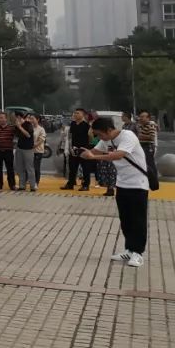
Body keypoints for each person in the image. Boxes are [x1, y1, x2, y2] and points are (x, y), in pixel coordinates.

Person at [80, 116, 150, 267]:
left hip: (138, 183)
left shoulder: (128, 136)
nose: (99, 137)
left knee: (138, 219)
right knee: (125, 219)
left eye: (100, 134)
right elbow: (95, 150)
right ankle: (129, 250)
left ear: (109, 130)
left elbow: (118, 155)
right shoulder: (106, 140)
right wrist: (84, 153)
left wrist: (94, 157)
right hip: (122, 184)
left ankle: (138, 253)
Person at [62, 108, 94, 191]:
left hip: (84, 149)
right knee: (72, 168)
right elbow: (70, 137)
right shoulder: (72, 124)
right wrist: (69, 148)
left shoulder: (87, 125)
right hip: (74, 149)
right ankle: (70, 183)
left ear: (83, 115)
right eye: (74, 113)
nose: (75, 115)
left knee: (85, 168)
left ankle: (86, 185)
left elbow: (91, 137)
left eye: (77, 113)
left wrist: (87, 148)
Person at [12, 111, 37, 192]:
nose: (13, 119)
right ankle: (22, 185)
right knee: (19, 168)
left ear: (19, 117)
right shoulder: (16, 126)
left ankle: (33, 186)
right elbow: (16, 136)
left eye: (14, 117)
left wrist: (20, 127)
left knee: (29, 168)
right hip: (19, 148)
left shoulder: (28, 124)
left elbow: (28, 135)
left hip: (28, 149)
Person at [137, 110, 160, 189]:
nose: (141, 118)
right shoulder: (142, 125)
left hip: (148, 146)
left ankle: (154, 183)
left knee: (150, 164)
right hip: (142, 146)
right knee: (144, 163)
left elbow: (152, 137)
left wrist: (140, 136)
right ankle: (147, 181)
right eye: (140, 116)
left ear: (148, 118)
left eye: (143, 117)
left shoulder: (150, 125)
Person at [29, 113, 47, 189]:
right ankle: (30, 181)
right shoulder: (29, 128)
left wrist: (34, 145)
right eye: (30, 119)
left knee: (36, 167)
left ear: (37, 119)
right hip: (29, 151)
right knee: (30, 167)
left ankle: (36, 182)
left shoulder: (41, 129)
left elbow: (42, 139)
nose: (31, 120)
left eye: (32, 118)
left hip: (38, 151)